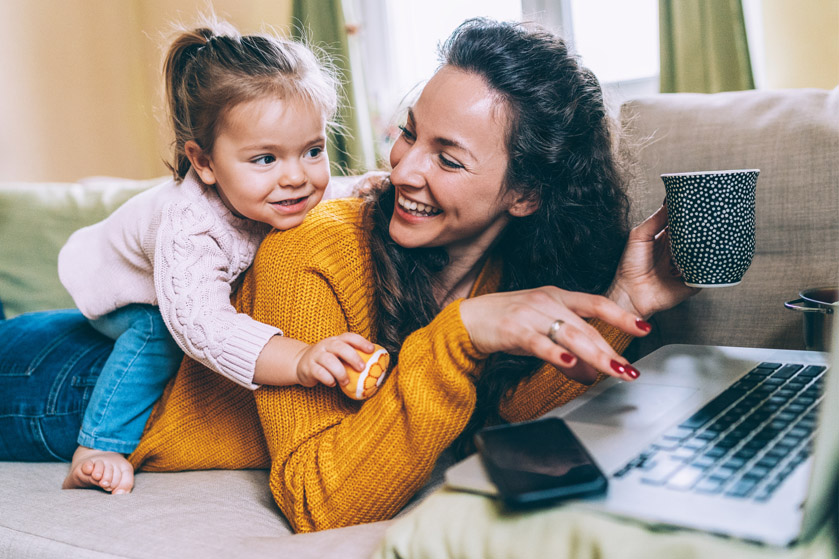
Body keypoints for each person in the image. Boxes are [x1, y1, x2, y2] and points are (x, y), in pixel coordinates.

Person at [0, 18, 694, 530]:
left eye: (447, 158)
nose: (404, 167)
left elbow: (510, 407)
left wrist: (619, 304)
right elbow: (315, 497)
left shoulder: (499, 270)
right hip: (67, 385)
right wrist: (456, 337)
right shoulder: (312, 245)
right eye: (408, 132)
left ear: (524, 196)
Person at [51, 19, 377, 495]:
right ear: (203, 162)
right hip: (118, 287)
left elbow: (337, 192)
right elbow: (204, 328)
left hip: (168, 278)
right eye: (265, 159)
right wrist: (300, 357)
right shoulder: (191, 228)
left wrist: (372, 188)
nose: (297, 177)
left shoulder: (290, 192)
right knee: (158, 331)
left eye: (312, 150)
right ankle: (98, 443)